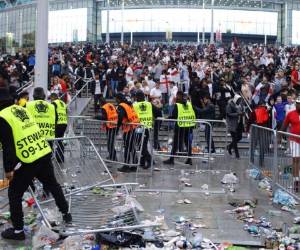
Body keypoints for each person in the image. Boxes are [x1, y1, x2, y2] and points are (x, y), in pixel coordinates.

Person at [0, 87, 71, 240]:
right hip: (42, 152)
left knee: (14, 194)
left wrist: (9, 169)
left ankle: (18, 231)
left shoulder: (3, 116)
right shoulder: (21, 110)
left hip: (27, 159)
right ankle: (66, 213)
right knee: (53, 184)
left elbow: (8, 145)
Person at [163, 91, 196, 165]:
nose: (176, 97)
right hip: (188, 126)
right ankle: (189, 159)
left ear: (179, 96)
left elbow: (174, 116)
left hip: (180, 126)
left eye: (177, 95)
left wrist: (167, 118)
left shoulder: (178, 105)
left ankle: (171, 159)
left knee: (175, 143)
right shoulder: (188, 103)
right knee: (187, 143)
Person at [133, 90, 161, 169]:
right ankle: (142, 162)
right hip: (147, 127)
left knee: (142, 146)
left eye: (136, 97)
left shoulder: (135, 105)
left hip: (139, 128)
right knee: (143, 145)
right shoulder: (149, 104)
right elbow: (158, 112)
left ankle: (149, 160)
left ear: (137, 97)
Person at [115, 93, 140, 172]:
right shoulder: (128, 104)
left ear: (118, 99)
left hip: (128, 129)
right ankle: (135, 165)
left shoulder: (121, 105)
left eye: (116, 99)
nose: (115, 100)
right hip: (132, 127)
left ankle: (126, 166)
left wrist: (117, 127)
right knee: (132, 147)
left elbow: (120, 117)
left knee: (127, 148)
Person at [282, 97, 300, 192]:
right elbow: (284, 126)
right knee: (296, 159)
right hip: (294, 140)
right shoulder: (291, 114)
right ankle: (296, 181)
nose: (298, 105)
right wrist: (279, 136)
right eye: (297, 103)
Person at [95, 96, 118, 161]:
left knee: (110, 143)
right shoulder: (110, 104)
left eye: (99, 102)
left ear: (100, 102)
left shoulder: (104, 107)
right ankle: (112, 155)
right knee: (111, 142)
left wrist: (96, 117)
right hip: (114, 125)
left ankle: (113, 157)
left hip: (111, 126)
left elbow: (104, 117)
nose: (98, 104)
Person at [50, 93, 68, 163]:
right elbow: (65, 112)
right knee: (60, 141)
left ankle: (51, 157)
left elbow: (53, 114)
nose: (50, 100)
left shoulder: (54, 103)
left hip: (57, 124)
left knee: (52, 140)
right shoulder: (63, 103)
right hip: (64, 123)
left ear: (53, 98)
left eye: (51, 98)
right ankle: (60, 158)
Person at [226, 94, 244, 159]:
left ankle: (230, 146)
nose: (239, 101)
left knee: (239, 137)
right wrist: (237, 114)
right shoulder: (230, 105)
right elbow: (228, 114)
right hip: (232, 124)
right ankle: (237, 155)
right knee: (234, 138)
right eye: (238, 100)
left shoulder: (239, 105)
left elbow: (241, 112)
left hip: (239, 124)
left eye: (240, 100)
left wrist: (242, 114)